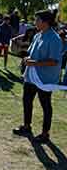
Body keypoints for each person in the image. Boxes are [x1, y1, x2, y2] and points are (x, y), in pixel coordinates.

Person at [13, 10, 62, 144]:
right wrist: (27, 59)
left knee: (45, 105)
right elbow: (31, 53)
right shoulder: (37, 35)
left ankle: (45, 134)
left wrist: (35, 63)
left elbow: (54, 61)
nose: (35, 22)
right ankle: (27, 126)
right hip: (31, 75)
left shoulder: (54, 39)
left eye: (37, 20)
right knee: (27, 100)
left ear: (45, 22)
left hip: (45, 79)